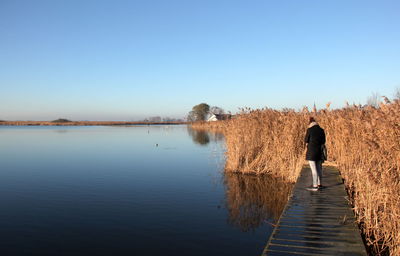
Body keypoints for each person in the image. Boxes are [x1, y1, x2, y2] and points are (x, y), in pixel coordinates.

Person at [304, 117, 326, 191]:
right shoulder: (321, 130)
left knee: (314, 169)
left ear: (310, 123)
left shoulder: (309, 130)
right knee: (319, 168)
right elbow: (323, 141)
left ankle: (315, 186)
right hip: (319, 152)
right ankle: (320, 184)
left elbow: (306, 140)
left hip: (311, 152)